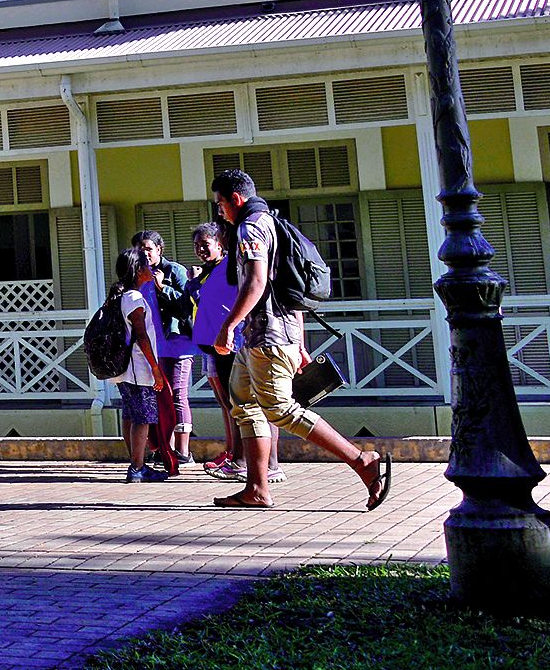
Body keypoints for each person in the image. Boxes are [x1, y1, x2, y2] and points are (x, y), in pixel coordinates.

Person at [209, 169, 391, 510]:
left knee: (280, 409)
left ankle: (360, 460)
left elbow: (257, 282)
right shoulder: (273, 223)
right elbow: (292, 289)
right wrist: (301, 343)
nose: (219, 212)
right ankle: (256, 489)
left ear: (236, 199)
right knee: (245, 405)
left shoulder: (251, 227)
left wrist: (227, 326)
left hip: (267, 335)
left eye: (220, 204)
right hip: (264, 335)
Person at [187, 221, 278, 483]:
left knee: (252, 406)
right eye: (197, 246)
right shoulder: (210, 272)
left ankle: (260, 463)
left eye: (205, 244)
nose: (200, 250)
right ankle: (241, 460)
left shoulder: (232, 267)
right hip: (214, 345)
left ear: (220, 244)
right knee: (233, 405)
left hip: (233, 344)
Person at [132, 228, 196, 472]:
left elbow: (186, 306)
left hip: (178, 343)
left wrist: (163, 288)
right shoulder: (139, 275)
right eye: (140, 250)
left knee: (178, 394)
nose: (145, 254)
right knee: (161, 397)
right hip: (154, 346)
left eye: (149, 249)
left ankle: (183, 452)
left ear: (159, 249)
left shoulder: (175, 271)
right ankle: (163, 450)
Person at [108, 247, 173, 482]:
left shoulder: (121, 295)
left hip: (125, 368)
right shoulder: (134, 298)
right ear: (137, 270)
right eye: (146, 263)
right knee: (142, 418)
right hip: (138, 366)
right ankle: (137, 467)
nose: (151, 267)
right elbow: (141, 336)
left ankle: (135, 463)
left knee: (130, 414)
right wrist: (155, 369)